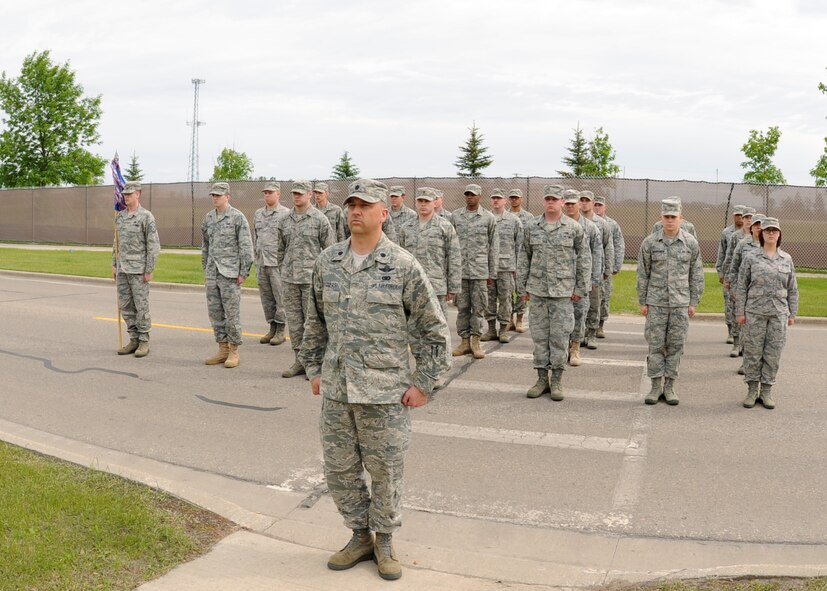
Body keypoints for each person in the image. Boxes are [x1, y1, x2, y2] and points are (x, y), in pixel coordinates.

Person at [299, 179, 451, 581]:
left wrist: (424, 383)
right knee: (340, 470)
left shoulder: (402, 265)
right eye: (351, 204)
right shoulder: (327, 261)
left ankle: (384, 539)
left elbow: (433, 331)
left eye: (365, 205)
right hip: (337, 389)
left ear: (384, 212)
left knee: (386, 471)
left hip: (385, 394)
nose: (355, 211)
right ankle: (359, 535)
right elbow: (314, 323)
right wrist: (314, 369)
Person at [517, 184, 590, 401]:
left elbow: (584, 258)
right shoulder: (531, 226)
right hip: (538, 291)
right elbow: (524, 257)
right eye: (547, 198)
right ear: (544, 201)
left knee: (559, 337)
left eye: (555, 199)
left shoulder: (573, 228)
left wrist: (580, 287)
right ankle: (541, 379)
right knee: (539, 337)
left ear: (561, 202)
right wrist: (522, 287)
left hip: (562, 293)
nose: (551, 202)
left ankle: (556, 379)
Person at [637, 197, 704, 405]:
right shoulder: (649, 243)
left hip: (680, 303)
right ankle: (656, 386)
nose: (670, 221)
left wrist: (693, 301)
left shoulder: (691, 243)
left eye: (673, 217)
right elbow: (643, 273)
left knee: (676, 346)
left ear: (681, 218)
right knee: (656, 346)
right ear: (661, 218)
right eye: (666, 217)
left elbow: (696, 273)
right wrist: (643, 301)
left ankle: (670, 386)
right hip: (656, 303)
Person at [736, 217, 798, 409]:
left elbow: (792, 288)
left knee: (773, 354)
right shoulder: (751, 257)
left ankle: (767, 391)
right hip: (754, 312)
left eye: (775, 231)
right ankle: (752, 390)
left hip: (778, 314)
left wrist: (792, 313)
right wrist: (740, 311)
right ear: (761, 234)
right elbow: (741, 286)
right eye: (767, 230)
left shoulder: (786, 259)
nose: (771, 233)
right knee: (753, 353)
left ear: (779, 235)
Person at [278, 180, 334, 378]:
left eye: (300, 193)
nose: (297, 196)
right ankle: (299, 361)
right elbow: (280, 249)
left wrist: (326, 280)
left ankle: (315, 363)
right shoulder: (284, 220)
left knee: (313, 324)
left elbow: (330, 252)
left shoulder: (320, 220)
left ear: (309, 194)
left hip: (311, 280)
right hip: (289, 279)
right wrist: (283, 270)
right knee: (294, 323)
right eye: (294, 193)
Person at [201, 182, 254, 368]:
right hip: (213, 272)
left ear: (227, 196)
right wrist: (206, 270)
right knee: (215, 313)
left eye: (219, 195)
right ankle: (222, 348)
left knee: (232, 314)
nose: (215, 198)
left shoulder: (237, 217)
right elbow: (205, 246)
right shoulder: (208, 218)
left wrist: (243, 272)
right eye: (213, 195)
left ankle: (234, 350)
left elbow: (246, 247)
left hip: (230, 273)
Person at [112, 181, 160, 358]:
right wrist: (114, 264)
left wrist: (149, 269)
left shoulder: (146, 217)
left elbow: (153, 245)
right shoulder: (120, 216)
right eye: (125, 194)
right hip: (123, 269)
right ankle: (133, 339)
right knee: (125, 306)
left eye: (130, 194)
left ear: (138, 194)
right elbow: (115, 243)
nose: (126, 197)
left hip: (139, 270)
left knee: (141, 306)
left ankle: (144, 341)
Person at [451, 183, 499, 359]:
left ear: (480, 196)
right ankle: (464, 341)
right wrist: (451, 271)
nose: (469, 197)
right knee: (462, 308)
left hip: (480, 272)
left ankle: (476, 342)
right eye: (467, 194)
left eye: (473, 195)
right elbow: (450, 246)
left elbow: (494, 246)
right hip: (461, 271)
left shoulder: (488, 218)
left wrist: (492, 273)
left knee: (479, 308)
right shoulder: (455, 216)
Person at [398, 187, 462, 317]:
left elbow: (454, 257)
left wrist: (453, 286)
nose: (423, 204)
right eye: (420, 201)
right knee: (412, 324)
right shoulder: (406, 227)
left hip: (436, 285)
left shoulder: (445, 226)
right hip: (412, 286)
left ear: (434, 203)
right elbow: (401, 258)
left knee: (438, 325)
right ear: (415, 203)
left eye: (426, 201)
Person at [562, 189, 601, 367]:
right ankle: (562, 348)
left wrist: (594, 280)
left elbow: (596, 254)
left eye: (573, 203)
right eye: (567, 203)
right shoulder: (557, 224)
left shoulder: (591, 228)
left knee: (579, 315)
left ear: (579, 204)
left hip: (581, 280)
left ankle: (575, 348)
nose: (570, 206)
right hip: (560, 280)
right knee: (561, 317)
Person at [481, 188, 523, 343]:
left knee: (505, 299)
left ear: (505, 201)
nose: (496, 201)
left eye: (499, 198)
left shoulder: (513, 221)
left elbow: (520, 245)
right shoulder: (484, 218)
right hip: (488, 267)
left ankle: (504, 329)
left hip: (506, 267)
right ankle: (491, 329)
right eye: (493, 198)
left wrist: (517, 267)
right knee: (489, 299)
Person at [726, 213, 765, 372]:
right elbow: (733, 268)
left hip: (763, 296)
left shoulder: (770, 245)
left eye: (761, 225)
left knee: (760, 332)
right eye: (756, 225)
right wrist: (734, 289)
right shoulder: (742, 244)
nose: (758, 228)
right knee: (745, 329)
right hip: (745, 293)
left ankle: (757, 363)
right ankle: (744, 357)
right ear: (751, 227)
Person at [253, 181, 290, 346]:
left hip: (277, 263)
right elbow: (256, 236)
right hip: (262, 262)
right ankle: (272, 327)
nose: (267, 195)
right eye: (265, 193)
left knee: (280, 297)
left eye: (270, 192)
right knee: (266, 298)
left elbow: (289, 240)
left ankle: (281, 329)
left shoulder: (286, 214)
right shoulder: (258, 214)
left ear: (278, 194)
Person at [579, 190, 613, 349]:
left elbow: (608, 247)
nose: (584, 203)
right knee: (578, 305)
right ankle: (579, 334)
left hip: (594, 271)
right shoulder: (573, 221)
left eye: (587, 200)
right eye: (582, 200)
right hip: (577, 272)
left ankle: (591, 334)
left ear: (593, 203)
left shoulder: (602, 224)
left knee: (594, 304)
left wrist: (607, 270)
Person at [722, 207, 755, 357]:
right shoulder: (736, 237)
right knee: (736, 312)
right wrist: (727, 278)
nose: (747, 220)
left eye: (750, 217)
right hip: (737, 282)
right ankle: (736, 344)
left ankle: (746, 347)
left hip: (753, 284)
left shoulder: (761, 239)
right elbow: (729, 259)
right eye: (746, 217)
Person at [593, 195, 625, 338]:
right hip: (591, 266)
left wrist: (615, 265)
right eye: (595, 205)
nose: (597, 207)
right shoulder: (586, 222)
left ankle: (600, 325)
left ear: (605, 207)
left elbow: (618, 245)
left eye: (600, 205)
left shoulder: (612, 224)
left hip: (605, 267)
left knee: (604, 297)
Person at [716, 205, 746, 344]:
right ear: (733, 216)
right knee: (729, 304)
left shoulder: (753, 233)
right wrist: (721, 271)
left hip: (744, 274)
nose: (739, 217)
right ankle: (731, 331)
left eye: (742, 215)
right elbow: (722, 253)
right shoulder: (727, 232)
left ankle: (743, 336)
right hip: (730, 273)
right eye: (737, 215)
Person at [508, 187, 534, 333]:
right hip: (508, 259)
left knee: (521, 291)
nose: (514, 200)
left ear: (521, 199)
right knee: (508, 292)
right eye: (512, 197)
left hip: (523, 259)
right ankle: (509, 319)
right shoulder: (505, 215)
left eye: (516, 197)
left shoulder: (529, 217)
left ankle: (519, 319)